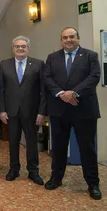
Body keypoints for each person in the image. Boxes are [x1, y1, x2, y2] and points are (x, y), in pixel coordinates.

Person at [43, 27, 102, 200]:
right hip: (59, 110)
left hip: (84, 109)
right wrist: (62, 94)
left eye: (71, 37)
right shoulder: (52, 57)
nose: (68, 40)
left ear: (78, 38)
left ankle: (93, 183)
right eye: (65, 37)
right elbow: (47, 78)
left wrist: (73, 93)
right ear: (60, 40)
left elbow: (94, 77)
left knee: (87, 148)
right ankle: (56, 178)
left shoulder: (90, 56)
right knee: (59, 147)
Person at [0, 35, 46, 185]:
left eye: (23, 46)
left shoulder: (38, 64)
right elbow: (1, 89)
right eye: (17, 46)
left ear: (28, 48)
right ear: (13, 49)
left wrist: (42, 112)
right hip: (11, 112)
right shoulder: (4, 64)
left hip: (31, 112)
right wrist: (1, 110)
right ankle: (14, 169)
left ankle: (33, 171)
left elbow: (44, 90)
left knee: (32, 142)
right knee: (13, 142)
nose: (20, 48)